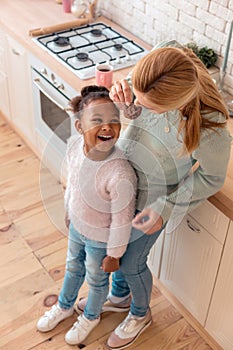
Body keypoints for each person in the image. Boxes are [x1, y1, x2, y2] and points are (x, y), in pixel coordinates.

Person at [77, 41, 232, 349]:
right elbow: (139, 110)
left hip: (154, 202)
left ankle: (140, 313)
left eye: (151, 106)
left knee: (133, 262)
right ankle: (120, 298)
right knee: (117, 251)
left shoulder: (211, 128)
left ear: (178, 103)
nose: (143, 107)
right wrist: (129, 105)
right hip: (123, 188)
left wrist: (166, 206)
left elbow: (212, 177)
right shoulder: (156, 68)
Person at [36, 85, 137, 345]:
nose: (107, 127)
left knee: (96, 278)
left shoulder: (120, 171)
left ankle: (91, 316)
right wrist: (69, 212)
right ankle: (65, 305)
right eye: (97, 120)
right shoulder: (74, 148)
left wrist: (114, 255)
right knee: (72, 268)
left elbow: (122, 219)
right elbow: (72, 183)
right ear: (80, 126)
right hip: (77, 228)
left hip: (100, 240)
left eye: (113, 120)